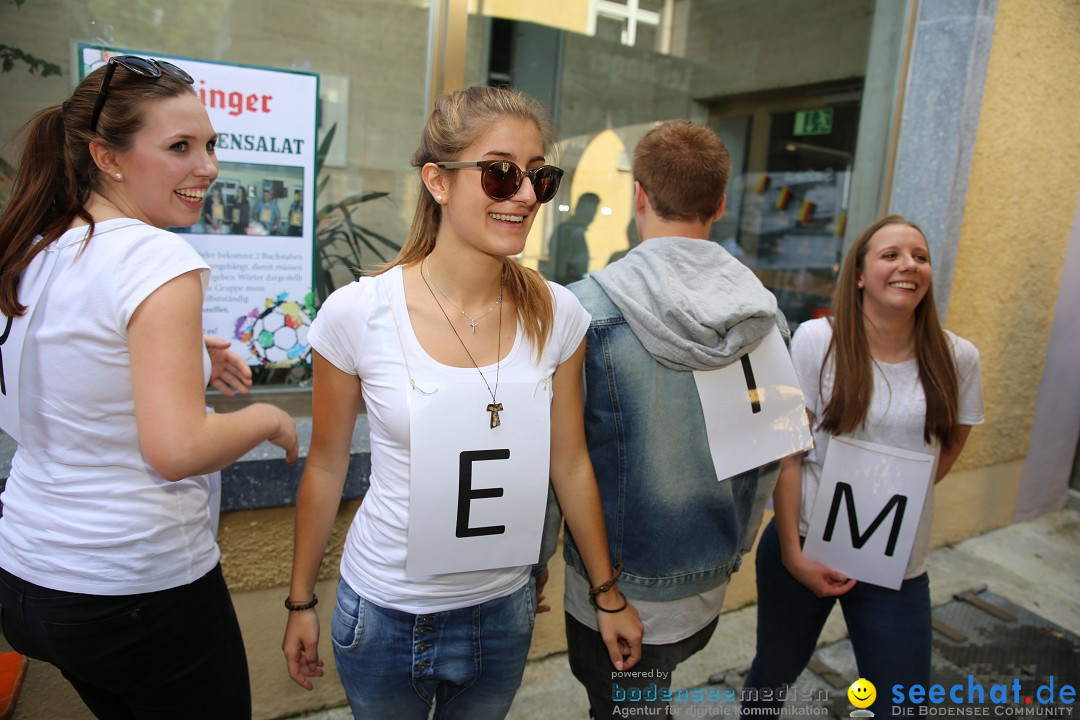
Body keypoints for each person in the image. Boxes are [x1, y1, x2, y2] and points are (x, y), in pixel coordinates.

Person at [282, 85, 643, 720]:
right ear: (438, 182)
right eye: (502, 173)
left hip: (502, 612)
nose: (526, 195)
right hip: (384, 613)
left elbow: (572, 463)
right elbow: (327, 465)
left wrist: (607, 593)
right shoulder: (360, 313)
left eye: (540, 176)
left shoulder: (559, 313)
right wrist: (300, 601)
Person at [0, 55, 299, 718]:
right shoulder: (154, 256)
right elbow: (177, 448)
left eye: (212, 145)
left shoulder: (40, 246)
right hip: (133, 587)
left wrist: (188, 352)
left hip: (29, 577)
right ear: (107, 157)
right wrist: (270, 419)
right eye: (180, 148)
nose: (208, 167)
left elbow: (70, 366)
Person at [561, 120, 785, 718]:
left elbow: (558, 459)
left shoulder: (583, 310)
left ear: (638, 195)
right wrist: (734, 549)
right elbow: (773, 453)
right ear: (719, 205)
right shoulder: (763, 314)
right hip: (706, 587)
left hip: (611, 595)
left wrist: (536, 560)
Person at [740, 215, 984, 716]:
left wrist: (894, 498)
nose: (908, 266)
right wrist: (792, 553)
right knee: (773, 676)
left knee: (902, 702)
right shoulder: (815, 340)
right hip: (805, 545)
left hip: (897, 562)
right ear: (859, 273)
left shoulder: (958, 357)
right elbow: (787, 452)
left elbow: (952, 442)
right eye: (890, 255)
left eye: (920, 256)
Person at [551, 192, 599, 285]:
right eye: (591, 211)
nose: (593, 216)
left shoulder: (576, 231)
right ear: (580, 209)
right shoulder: (568, 231)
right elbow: (563, 271)